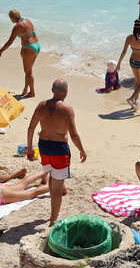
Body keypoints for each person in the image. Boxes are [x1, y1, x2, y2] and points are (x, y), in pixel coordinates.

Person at [27, 79, 87, 226]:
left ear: (52, 90)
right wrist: (82, 150)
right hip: (59, 149)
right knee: (57, 189)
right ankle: (53, 220)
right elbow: (73, 134)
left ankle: (55, 204)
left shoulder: (41, 106)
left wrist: (29, 148)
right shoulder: (67, 110)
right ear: (66, 92)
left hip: (44, 147)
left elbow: (31, 128)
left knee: (53, 177)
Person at [0, 10, 41, 97]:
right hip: (37, 45)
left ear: (12, 18)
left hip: (29, 48)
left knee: (28, 72)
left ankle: (32, 92)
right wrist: (23, 47)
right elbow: (29, 34)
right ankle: (25, 90)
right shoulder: (27, 21)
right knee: (28, 71)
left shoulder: (17, 27)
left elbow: (9, 42)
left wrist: (1, 51)